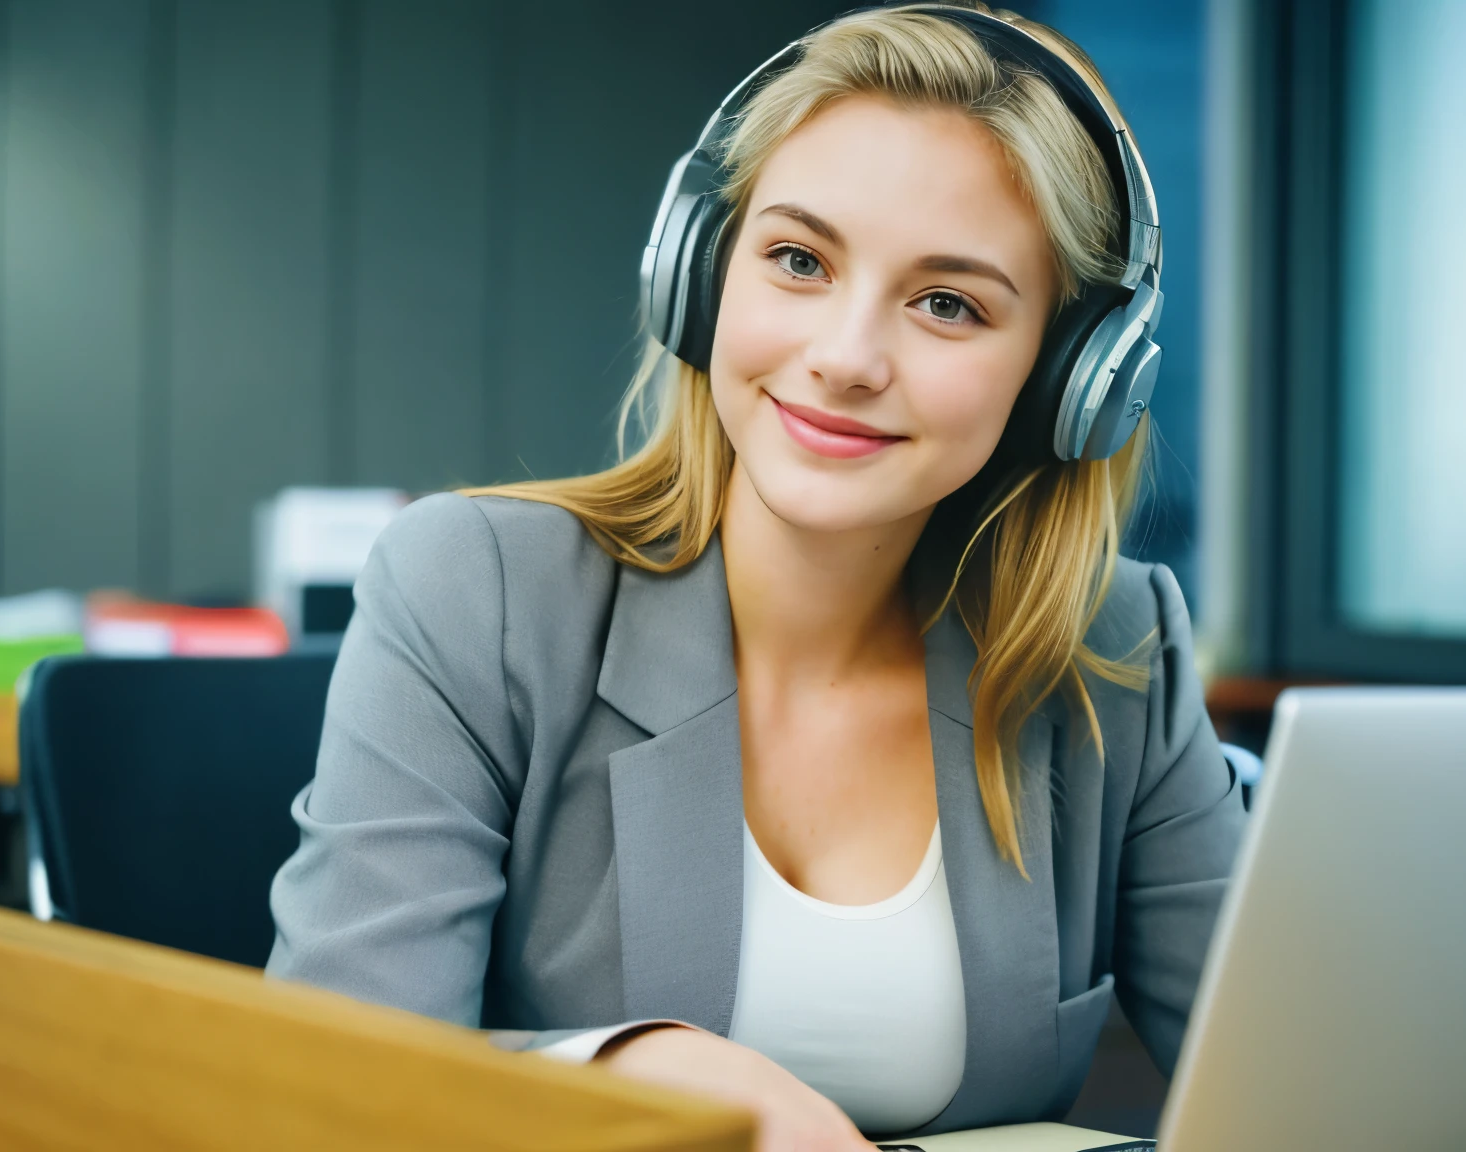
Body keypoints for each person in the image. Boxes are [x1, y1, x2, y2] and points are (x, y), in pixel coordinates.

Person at [267, 4, 1244, 1148]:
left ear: (1067, 381)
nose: (842, 357)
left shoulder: (1115, 656)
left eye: (947, 303)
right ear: (699, 274)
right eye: (796, 258)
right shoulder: (476, 590)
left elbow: (1301, 1082)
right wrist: (636, 1069)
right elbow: (336, 1089)